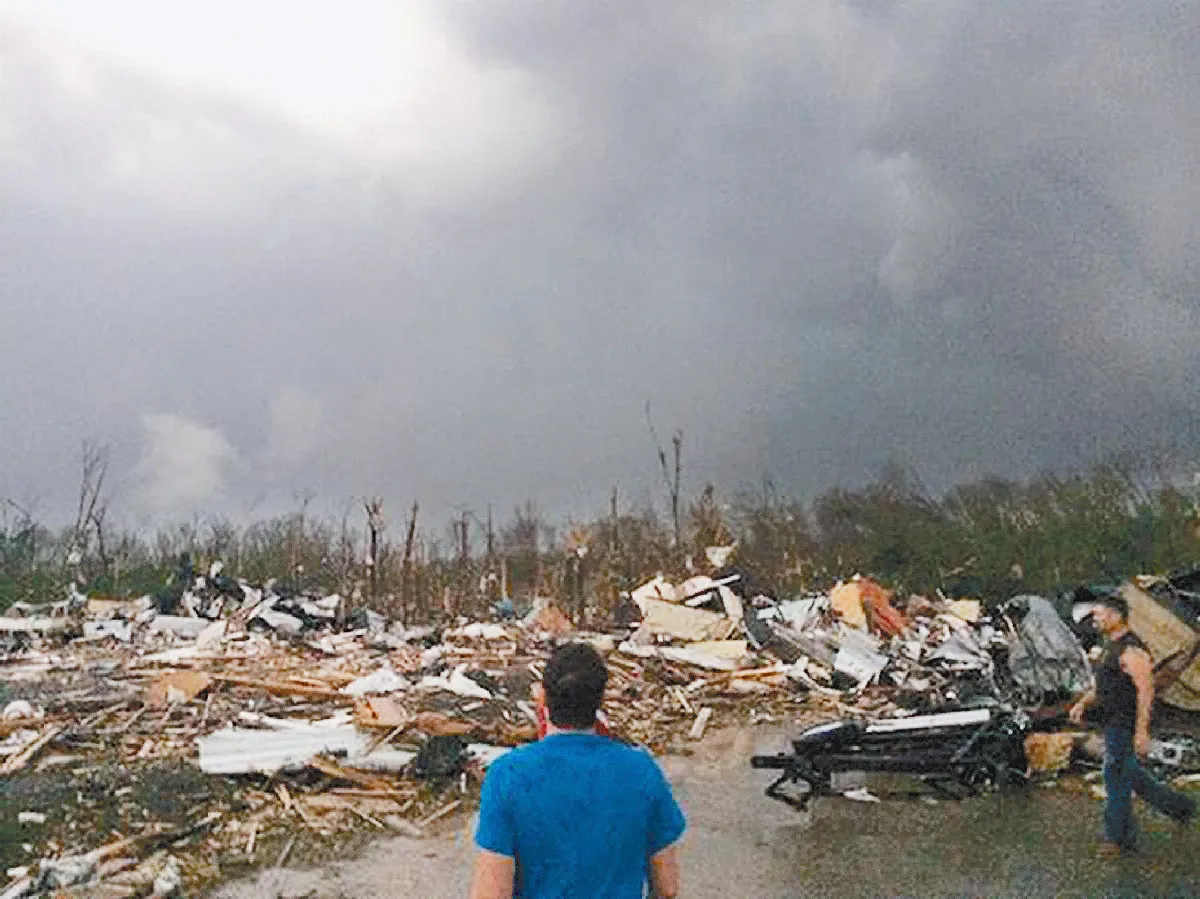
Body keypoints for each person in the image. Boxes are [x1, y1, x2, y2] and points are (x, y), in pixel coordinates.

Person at [470, 642, 685, 899]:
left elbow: (491, 893)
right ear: (600, 700)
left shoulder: (508, 775)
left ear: (542, 698)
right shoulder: (641, 770)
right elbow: (667, 887)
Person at [1069, 594, 1196, 856]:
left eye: (1099, 614)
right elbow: (1104, 683)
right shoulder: (1110, 647)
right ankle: (1180, 807)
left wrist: (1141, 731)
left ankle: (1119, 838)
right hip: (1111, 720)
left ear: (1116, 616)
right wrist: (1082, 703)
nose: (1094, 620)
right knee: (1129, 773)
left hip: (1125, 723)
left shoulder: (1132, 651)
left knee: (1115, 776)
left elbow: (1146, 691)